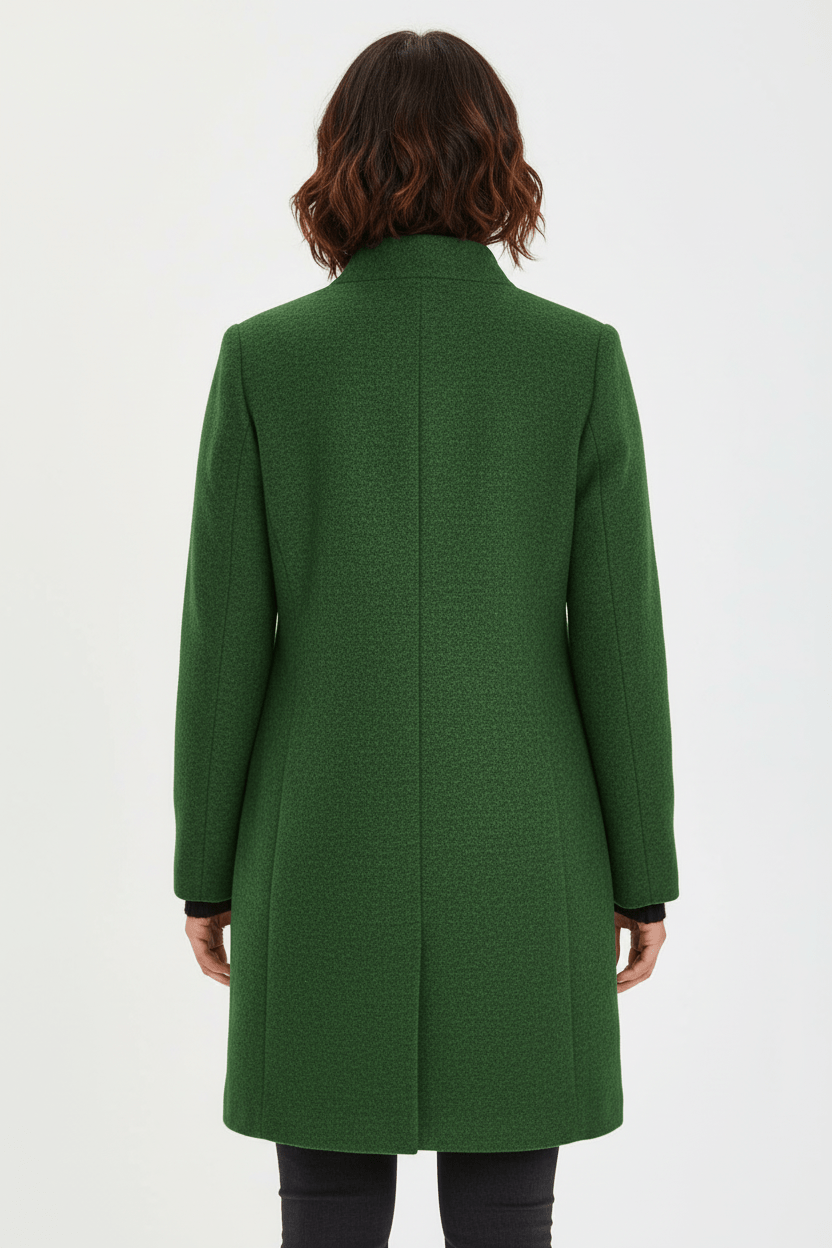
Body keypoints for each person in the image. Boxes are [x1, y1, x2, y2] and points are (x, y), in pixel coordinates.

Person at [173, 28, 679, 1248]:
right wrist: (640, 872)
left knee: (325, 1213)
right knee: (508, 1216)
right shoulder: (576, 361)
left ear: (337, 163)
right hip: (525, 850)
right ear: (497, 161)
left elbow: (222, 645)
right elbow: (620, 645)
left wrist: (207, 869)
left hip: (317, 847)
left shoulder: (264, 362)